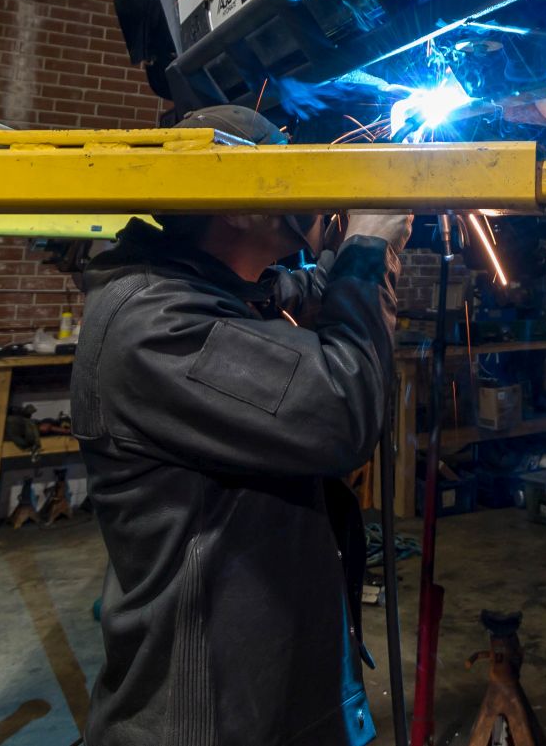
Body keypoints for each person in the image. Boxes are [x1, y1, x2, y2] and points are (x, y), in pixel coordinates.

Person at [70, 104, 411, 746]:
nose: (303, 189)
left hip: (269, 693)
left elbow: (290, 293)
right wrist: (367, 252)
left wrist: (344, 263)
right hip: (205, 718)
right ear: (235, 205)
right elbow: (342, 410)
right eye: (280, 169)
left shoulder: (201, 289)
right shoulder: (159, 327)